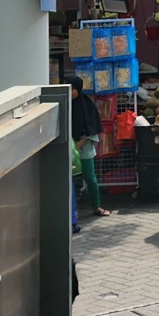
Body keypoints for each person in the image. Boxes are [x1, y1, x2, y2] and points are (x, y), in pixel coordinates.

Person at [70, 76, 112, 218]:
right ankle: (70, 209)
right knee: (69, 179)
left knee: (90, 177)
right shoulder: (66, 104)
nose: (70, 92)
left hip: (85, 149)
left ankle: (97, 206)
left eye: (73, 89)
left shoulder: (87, 104)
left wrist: (81, 143)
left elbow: (92, 126)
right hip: (70, 148)